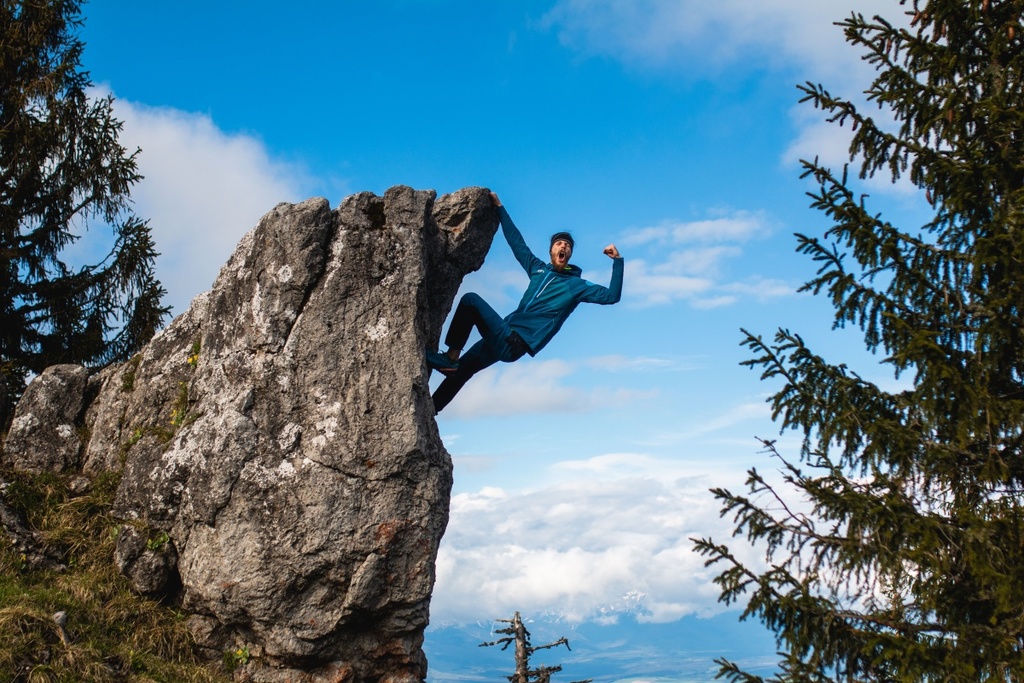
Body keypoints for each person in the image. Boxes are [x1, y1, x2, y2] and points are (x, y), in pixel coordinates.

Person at [427, 192, 623, 413]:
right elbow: (517, 243)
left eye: (568, 246)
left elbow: (611, 296)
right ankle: (431, 409)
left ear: (569, 255)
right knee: (464, 369)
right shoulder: (537, 269)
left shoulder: (576, 286)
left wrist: (617, 261)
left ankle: (451, 357)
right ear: (551, 251)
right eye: (559, 243)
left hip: (515, 342)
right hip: (504, 332)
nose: (563, 247)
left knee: (470, 301)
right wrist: (500, 208)